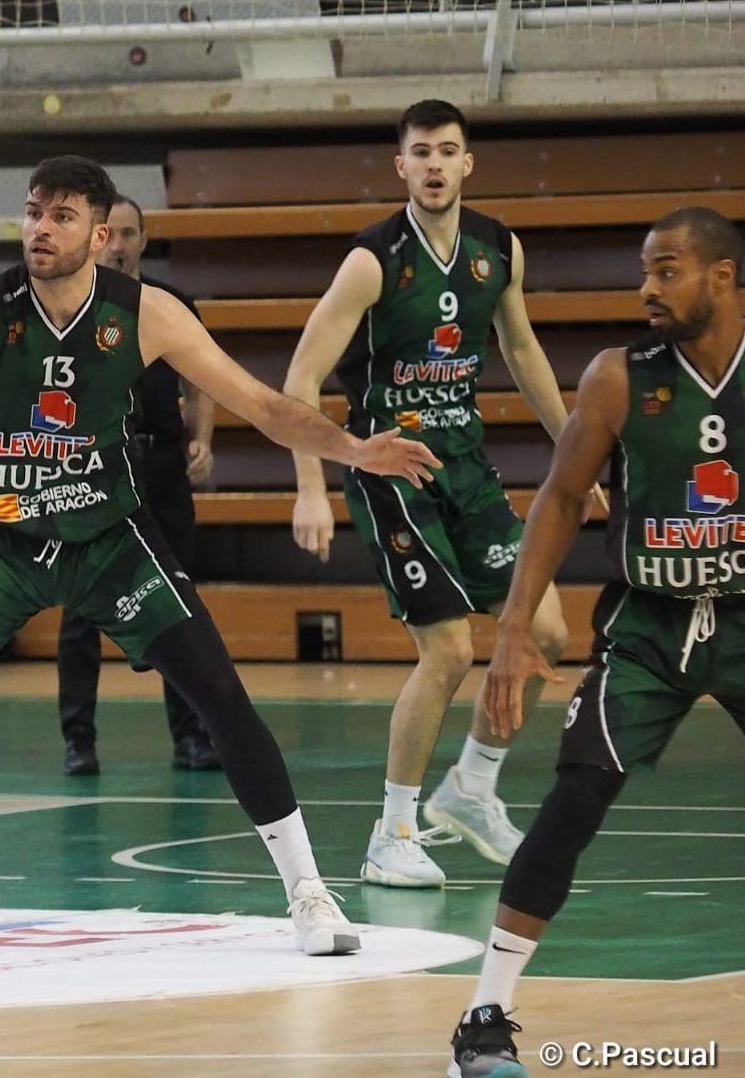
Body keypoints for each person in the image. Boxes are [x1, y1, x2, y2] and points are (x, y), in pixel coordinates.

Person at [0, 155, 441, 956]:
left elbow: (259, 403)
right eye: (34, 211)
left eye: (62, 216)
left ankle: (309, 894)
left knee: (221, 695)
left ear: (100, 234)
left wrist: (353, 449)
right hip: (8, 542)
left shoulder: (147, 314)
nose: (40, 228)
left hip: (111, 541)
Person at [448, 207, 745, 1074]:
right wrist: (511, 629)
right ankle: (484, 1019)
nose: (648, 287)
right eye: (646, 271)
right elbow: (561, 498)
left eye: (669, 270)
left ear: (723, 278)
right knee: (574, 804)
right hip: (647, 627)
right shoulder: (621, 377)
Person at [284, 99, 588, 889]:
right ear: (401, 166)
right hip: (393, 470)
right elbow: (301, 378)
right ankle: (390, 833)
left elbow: (520, 348)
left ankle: (472, 786)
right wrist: (311, 487)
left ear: (467, 163)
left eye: (447, 152)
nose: (434, 165)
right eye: (420, 152)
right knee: (451, 648)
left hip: (466, 463)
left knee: (548, 629)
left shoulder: (497, 247)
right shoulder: (372, 260)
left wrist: (575, 449)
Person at [59, 192, 218, 775]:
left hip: (160, 465)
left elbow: (202, 385)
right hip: (91, 470)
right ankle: (78, 740)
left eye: (130, 234)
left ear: (144, 241)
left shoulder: (173, 305)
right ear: (94, 239)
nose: (120, 246)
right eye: (111, 234)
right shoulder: (63, 308)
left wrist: (202, 440)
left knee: (176, 601)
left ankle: (192, 736)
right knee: (81, 607)